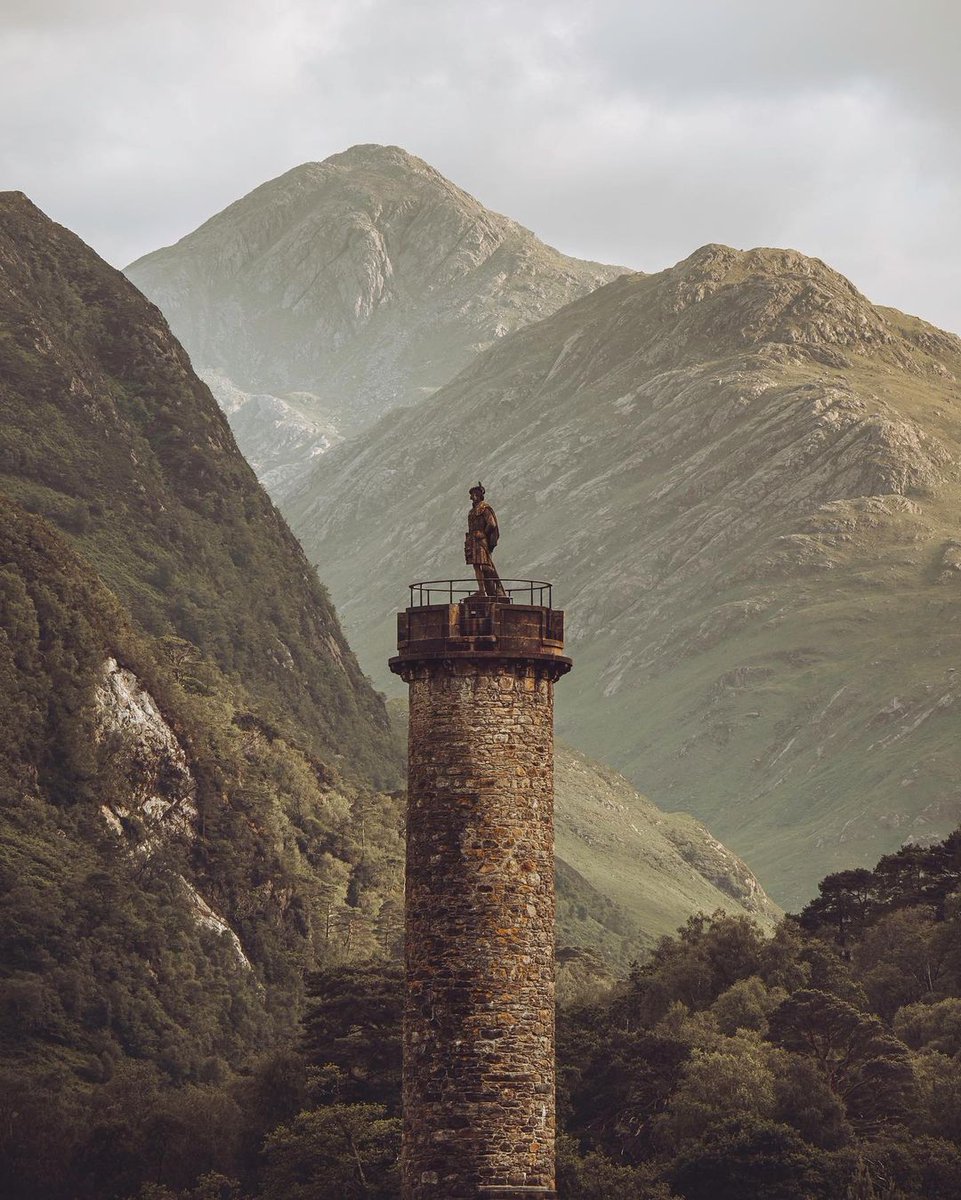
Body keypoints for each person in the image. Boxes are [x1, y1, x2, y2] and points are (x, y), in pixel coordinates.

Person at [465, 483, 505, 598]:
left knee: (486, 564)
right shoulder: (472, 511)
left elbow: (491, 524)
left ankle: (498, 587)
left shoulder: (484, 508)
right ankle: (481, 590)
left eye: (473, 495)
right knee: (476, 565)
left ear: (478, 495)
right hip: (472, 540)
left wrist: (483, 534)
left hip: (481, 540)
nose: (471, 498)